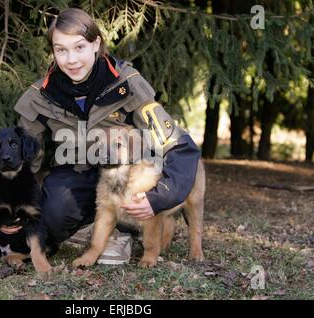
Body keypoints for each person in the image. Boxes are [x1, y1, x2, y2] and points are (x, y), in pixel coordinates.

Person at [14, 8, 201, 264]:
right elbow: (22, 159)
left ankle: (123, 231)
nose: (71, 59)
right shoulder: (39, 96)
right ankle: (86, 229)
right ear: (53, 51)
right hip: (78, 172)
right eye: (61, 50)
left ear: (96, 44)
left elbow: (179, 147)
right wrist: (12, 206)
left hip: (128, 173)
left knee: (137, 196)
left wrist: (160, 197)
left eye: (79, 47)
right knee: (52, 215)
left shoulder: (128, 83)